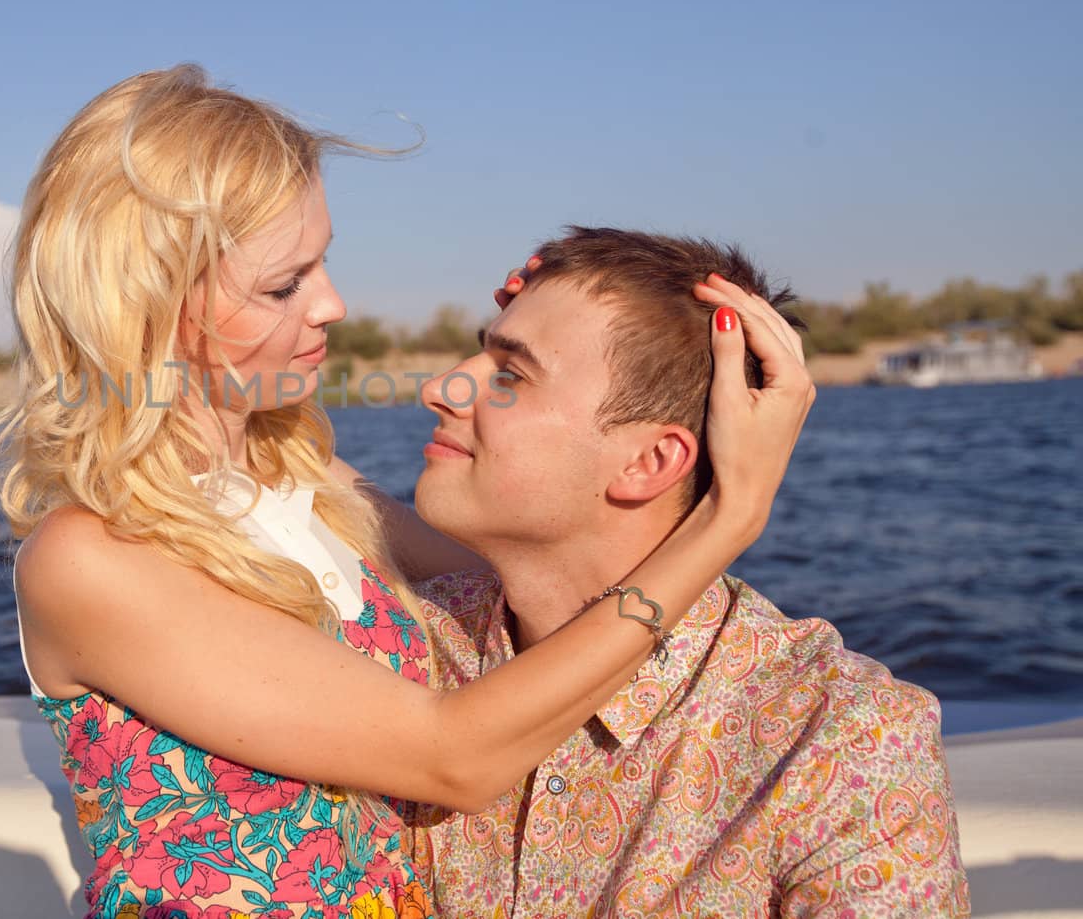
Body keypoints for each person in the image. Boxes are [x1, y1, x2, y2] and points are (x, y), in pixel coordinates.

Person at [0, 65, 813, 918]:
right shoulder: (89, 558)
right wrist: (729, 517)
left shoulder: (305, 480)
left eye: (323, 263)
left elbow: (544, 582)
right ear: (145, 308)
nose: (333, 304)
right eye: (284, 285)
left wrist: (590, 321)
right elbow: (451, 755)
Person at [396, 227, 969, 917]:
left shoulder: (841, 741)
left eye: (511, 373)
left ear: (650, 462)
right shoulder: (396, 645)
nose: (438, 388)